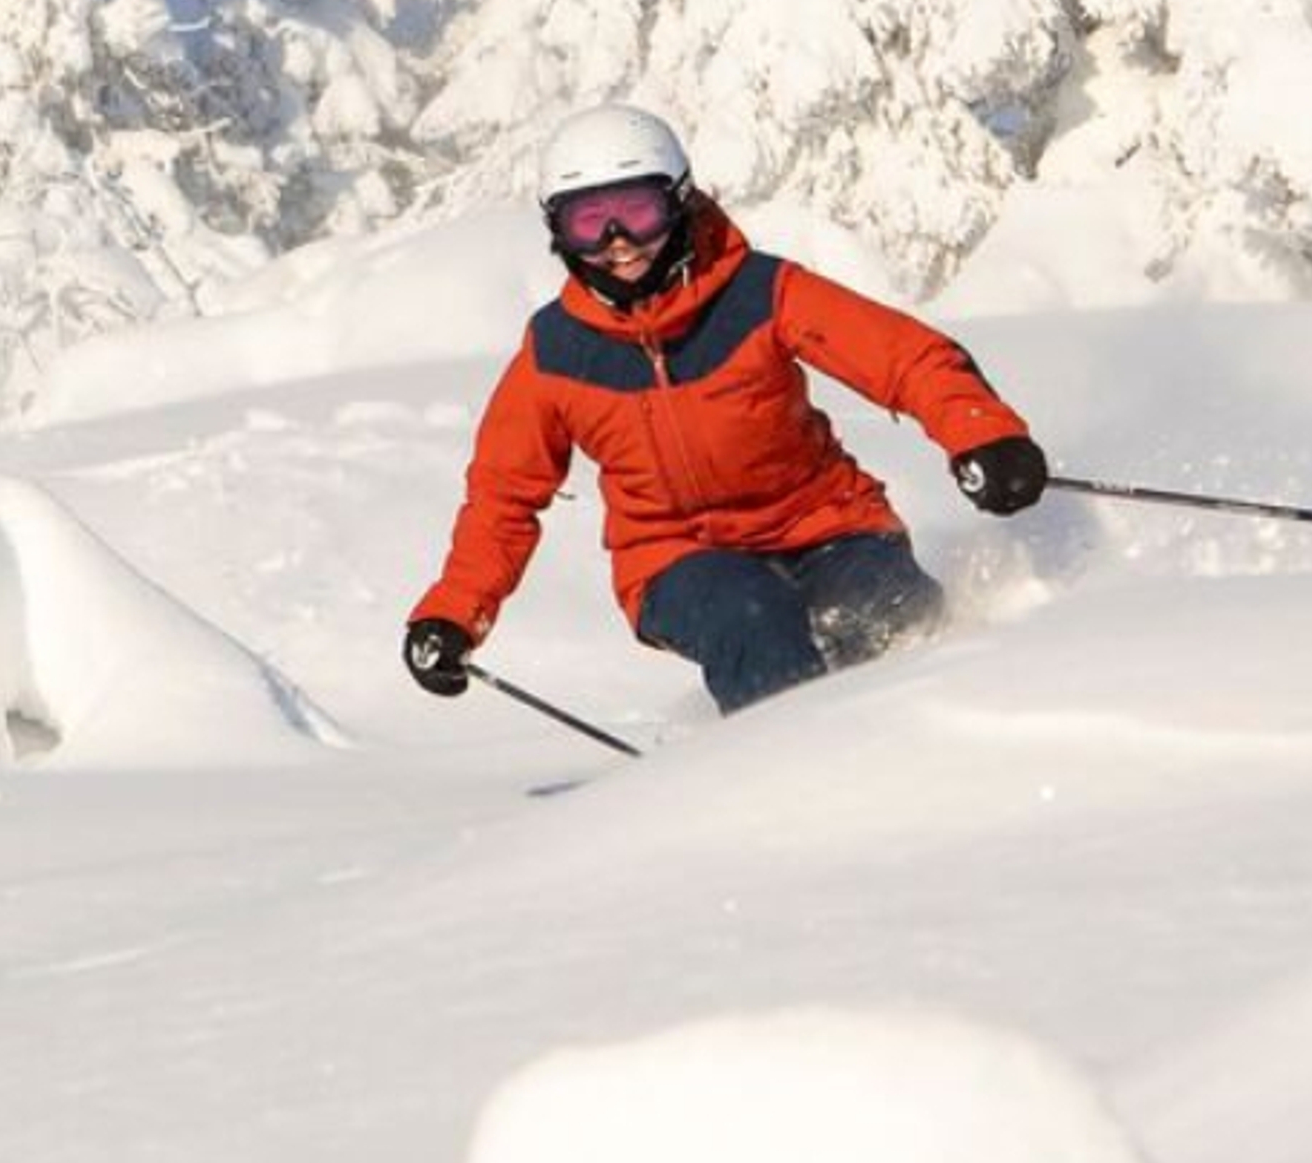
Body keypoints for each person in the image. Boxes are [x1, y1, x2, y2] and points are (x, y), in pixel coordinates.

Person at [402, 105, 1048, 717]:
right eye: (588, 221)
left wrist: (983, 436)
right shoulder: (556, 353)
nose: (617, 241)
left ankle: (953, 757)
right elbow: (502, 498)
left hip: (826, 523)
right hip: (675, 556)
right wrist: (455, 615)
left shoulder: (759, 294)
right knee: (752, 617)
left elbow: (903, 357)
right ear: (557, 230)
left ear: (680, 201)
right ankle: (790, 786)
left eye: (638, 210)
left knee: (886, 612)